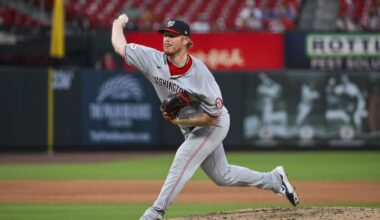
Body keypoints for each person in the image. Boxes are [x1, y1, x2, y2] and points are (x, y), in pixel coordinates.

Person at [111, 15, 299, 220]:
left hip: (213, 123)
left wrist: (179, 121)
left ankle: (155, 212)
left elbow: (211, 117)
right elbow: (120, 46)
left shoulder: (201, 75)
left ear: (186, 41)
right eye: (165, 34)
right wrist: (117, 23)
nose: (166, 38)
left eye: (172, 36)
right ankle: (274, 180)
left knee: (184, 157)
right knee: (223, 176)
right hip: (190, 126)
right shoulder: (151, 59)